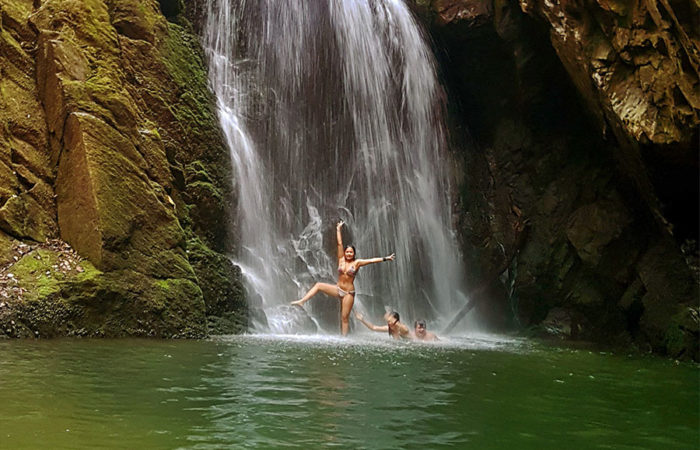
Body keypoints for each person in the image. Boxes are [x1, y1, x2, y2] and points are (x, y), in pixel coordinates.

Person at [291, 220, 395, 335]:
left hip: (348, 293)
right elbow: (339, 243)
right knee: (319, 285)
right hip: (337, 288)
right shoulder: (341, 259)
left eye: (351, 252)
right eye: (347, 252)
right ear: (344, 253)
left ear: (354, 254)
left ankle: (344, 338)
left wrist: (386, 258)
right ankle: (302, 301)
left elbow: (371, 260)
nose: (349, 254)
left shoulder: (357, 263)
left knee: (344, 317)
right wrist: (338, 229)